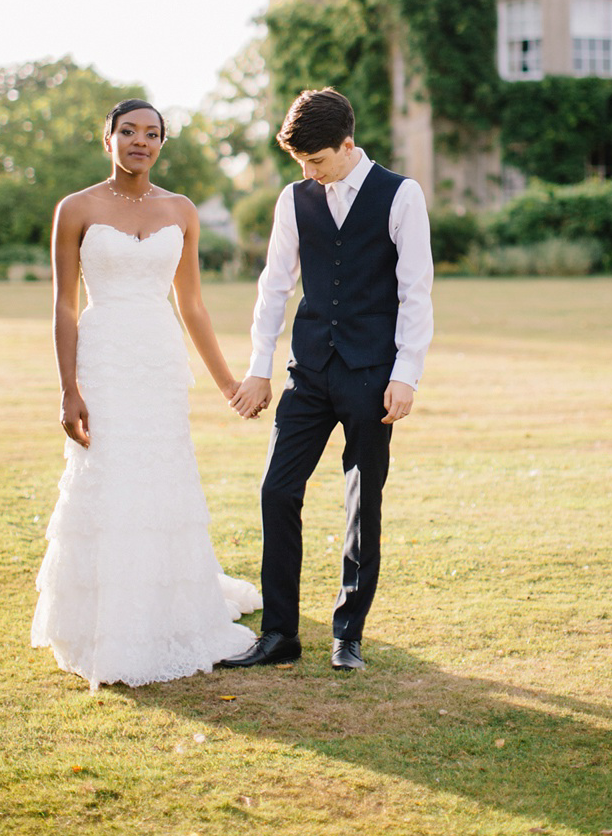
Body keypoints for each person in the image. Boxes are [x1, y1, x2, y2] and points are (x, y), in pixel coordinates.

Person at [31, 98, 259, 690]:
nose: (140, 141)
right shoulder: (76, 208)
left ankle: (169, 608)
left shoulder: (181, 210)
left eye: (152, 133)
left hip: (159, 360)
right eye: (128, 131)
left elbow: (192, 305)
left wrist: (229, 382)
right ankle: (103, 620)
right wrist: (68, 389)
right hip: (103, 358)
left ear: (162, 144)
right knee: (106, 476)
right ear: (106, 138)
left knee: (161, 475)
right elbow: (64, 303)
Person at [222, 87, 433, 671]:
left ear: (347, 144)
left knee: (362, 500)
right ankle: (280, 635)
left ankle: (348, 635)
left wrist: (406, 374)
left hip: (373, 373)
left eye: (316, 161)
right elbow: (274, 286)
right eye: (301, 164)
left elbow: (416, 290)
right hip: (309, 371)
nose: (309, 173)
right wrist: (258, 369)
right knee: (277, 490)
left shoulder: (400, 195)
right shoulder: (295, 200)